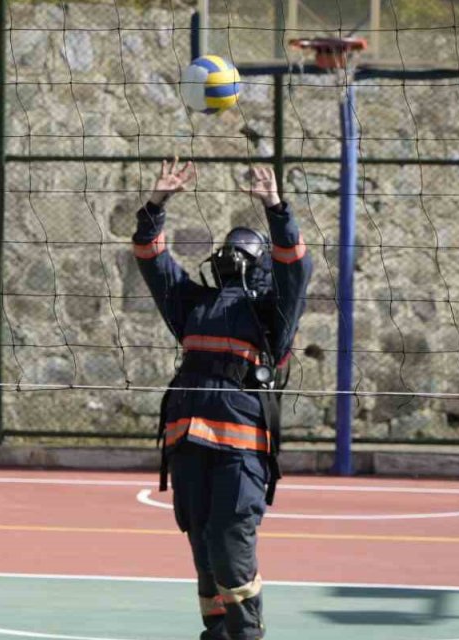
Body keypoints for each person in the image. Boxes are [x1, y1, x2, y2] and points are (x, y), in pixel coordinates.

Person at [134, 160, 312, 640]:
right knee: (204, 549)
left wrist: (275, 207)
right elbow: (151, 258)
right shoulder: (192, 303)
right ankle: (216, 633)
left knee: (231, 545)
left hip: (240, 448)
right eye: (226, 250)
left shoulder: (271, 310)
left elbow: (297, 265)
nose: (230, 257)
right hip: (187, 441)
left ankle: (247, 634)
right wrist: (157, 204)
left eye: (240, 251)